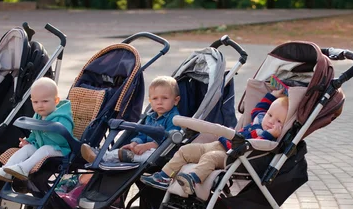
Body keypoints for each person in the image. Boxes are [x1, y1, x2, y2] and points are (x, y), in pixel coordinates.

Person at [141, 89, 288, 194]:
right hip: (221, 144)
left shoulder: (268, 135)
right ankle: (165, 176)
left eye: (278, 121)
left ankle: (193, 179)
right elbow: (260, 108)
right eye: (270, 115)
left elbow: (259, 146)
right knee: (187, 150)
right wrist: (271, 95)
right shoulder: (261, 119)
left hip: (234, 156)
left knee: (209, 158)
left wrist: (270, 134)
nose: (271, 121)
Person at [81, 76, 181, 164]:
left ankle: (104, 158)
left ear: (176, 100)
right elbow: (142, 135)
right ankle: (102, 156)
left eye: (165, 98)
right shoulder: (150, 117)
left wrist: (146, 146)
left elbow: (168, 141)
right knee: (123, 150)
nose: (159, 102)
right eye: (155, 99)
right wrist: (134, 144)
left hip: (161, 153)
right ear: (150, 101)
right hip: (145, 149)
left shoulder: (174, 118)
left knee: (135, 155)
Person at [0, 78, 74, 181]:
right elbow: (35, 133)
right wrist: (29, 141)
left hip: (61, 149)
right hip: (41, 147)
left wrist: (47, 131)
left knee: (45, 149)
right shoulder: (38, 116)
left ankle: (23, 168)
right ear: (31, 101)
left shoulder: (62, 117)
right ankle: (5, 170)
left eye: (45, 101)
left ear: (56, 101)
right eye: (36, 102)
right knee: (27, 148)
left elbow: (63, 138)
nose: (40, 105)